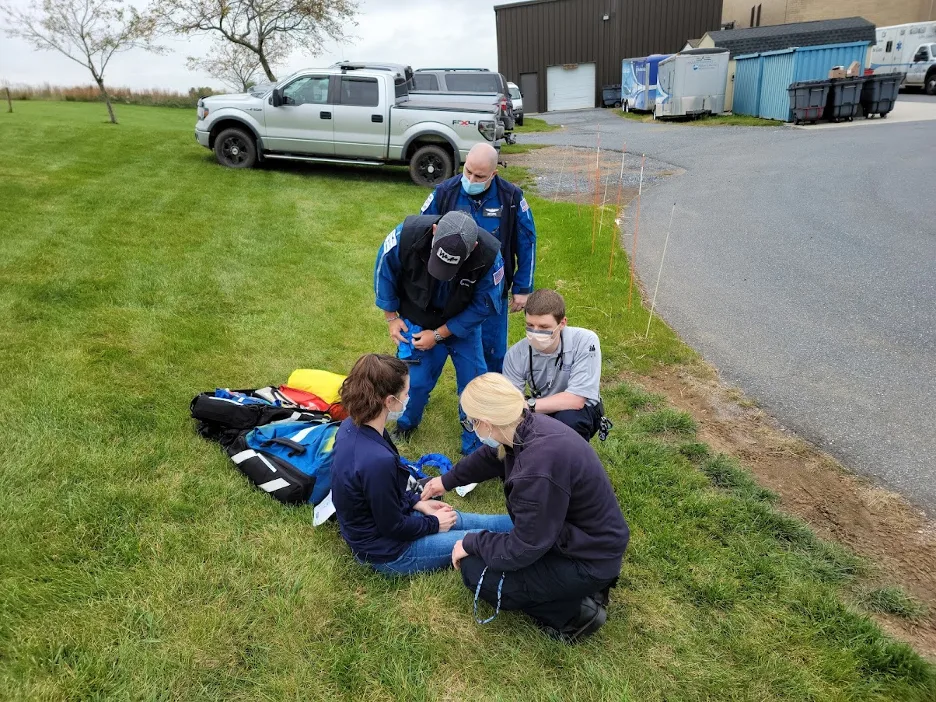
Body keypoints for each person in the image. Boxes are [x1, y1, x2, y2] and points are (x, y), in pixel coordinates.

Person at [420, 374, 629, 643]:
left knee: (476, 572)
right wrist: (444, 481)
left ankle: (574, 612)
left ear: (485, 423)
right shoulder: (526, 427)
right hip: (579, 541)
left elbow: (524, 548)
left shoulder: (535, 472)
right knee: (492, 552)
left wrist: (471, 542)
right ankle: (577, 588)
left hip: (585, 559)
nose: (472, 428)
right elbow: (490, 458)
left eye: (471, 422)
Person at [330, 354, 513, 576]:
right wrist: (433, 524)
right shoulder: (376, 460)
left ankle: (538, 529)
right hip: (389, 551)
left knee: (468, 521)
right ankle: (541, 539)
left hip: (390, 523)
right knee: (479, 539)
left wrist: (418, 503)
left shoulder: (354, 425)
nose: (408, 397)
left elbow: (387, 494)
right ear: (389, 401)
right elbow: (392, 527)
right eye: (406, 393)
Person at [374, 210, 504, 455]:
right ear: (434, 231)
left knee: (473, 387)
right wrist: (391, 317)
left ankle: (475, 446)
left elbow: (483, 306)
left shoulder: (490, 257)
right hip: (417, 319)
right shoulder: (406, 235)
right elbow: (384, 271)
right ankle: (405, 424)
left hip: (463, 326)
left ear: (473, 247)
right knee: (414, 383)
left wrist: (440, 334)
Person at [421, 143, 537, 374]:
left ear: (494, 174)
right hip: (448, 285)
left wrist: (523, 288)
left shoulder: (511, 197)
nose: (471, 180)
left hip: (491, 288)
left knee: (492, 350)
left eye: (480, 176)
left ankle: (490, 399)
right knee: (434, 343)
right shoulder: (444, 192)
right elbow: (422, 232)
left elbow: (527, 241)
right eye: (468, 172)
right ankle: (419, 386)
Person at [501, 289, 606, 441]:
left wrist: (528, 406)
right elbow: (512, 403)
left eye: (544, 327)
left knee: (568, 423)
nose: (535, 333)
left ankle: (572, 460)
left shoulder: (585, 340)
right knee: (517, 429)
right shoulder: (515, 354)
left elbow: (576, 400)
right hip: (541, 406)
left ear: (562, 323)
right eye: (530, 325)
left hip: (579, 410)